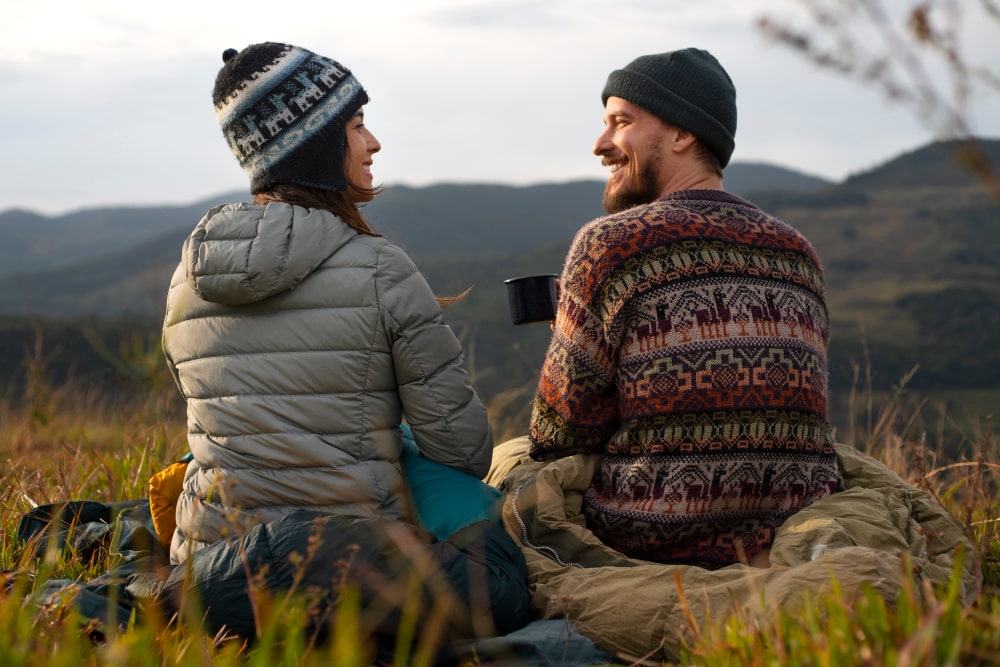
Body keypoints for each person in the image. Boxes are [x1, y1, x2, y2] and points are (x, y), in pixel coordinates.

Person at [161, 42, 496, 565]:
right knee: (502, 576)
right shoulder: (381, 268)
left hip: (209, 572)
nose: (374, 142)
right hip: (351, 566)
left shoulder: (187, 279)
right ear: (314, 142)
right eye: (358, 125)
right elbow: (463, 451)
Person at [527, 48, 843, 568]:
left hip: (652, 537)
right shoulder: (797, 251)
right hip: (791, 530)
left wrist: (575, 336)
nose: (600, 144)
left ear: (682, 134)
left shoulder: (611, 245)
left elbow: (559, 436)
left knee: (511, 465)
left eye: (620, 122)